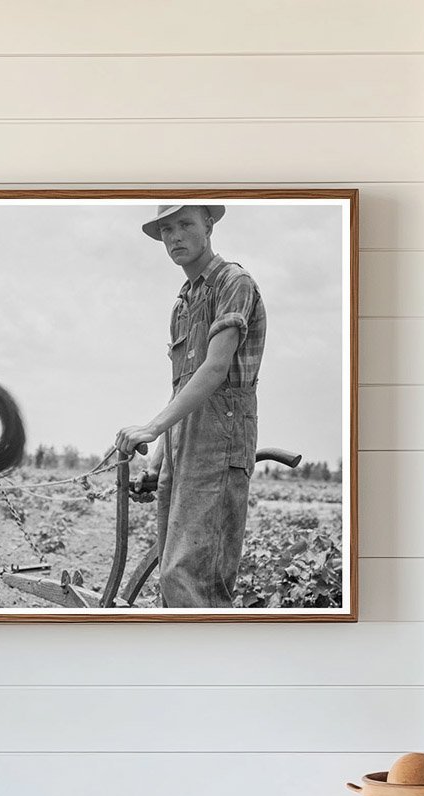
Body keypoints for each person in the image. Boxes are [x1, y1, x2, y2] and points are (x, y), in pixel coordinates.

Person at [115, 204, 267, 608]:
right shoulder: (184, 302)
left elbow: (215, 368)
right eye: (166, 229)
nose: (175, 237)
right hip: (183, 449)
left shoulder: (234, 282)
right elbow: (182, 384)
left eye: (185, 225)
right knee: (173, 577)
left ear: (209, 225)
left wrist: (149, 428)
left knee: (192, 580)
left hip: (218, 447)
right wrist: (158, 457)